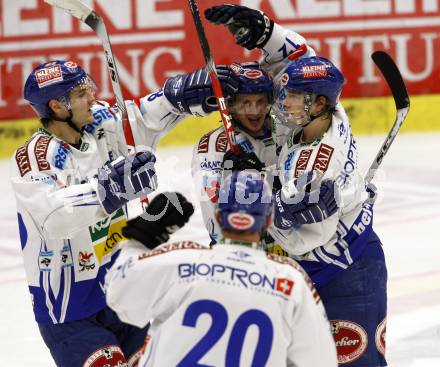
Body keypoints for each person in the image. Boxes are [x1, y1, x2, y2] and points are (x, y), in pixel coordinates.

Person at [10, 59, 240, 366]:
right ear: (57, 105)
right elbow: (53, 216)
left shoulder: (98, 124)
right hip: (71, 309)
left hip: (120, 287)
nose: (92, 96)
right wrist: (108, 189)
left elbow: (142, 118)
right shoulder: (38, 156)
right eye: (81, 93)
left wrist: (180, 95)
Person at [204, 4, 388, 366]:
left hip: (344, 268)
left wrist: (261, 192)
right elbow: (304, 57)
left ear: (318, 102)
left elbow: (307, 238)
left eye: (290, 97)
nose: (281, 102)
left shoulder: (316, 163)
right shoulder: (327, 112)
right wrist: (265, 32)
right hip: (321, 266)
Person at [105, 171, 338, 367]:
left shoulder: (180, 261)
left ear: (218, 216)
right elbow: (321, 361)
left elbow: (118, 292)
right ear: (267, 221)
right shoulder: (291, 282)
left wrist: (142, 236)